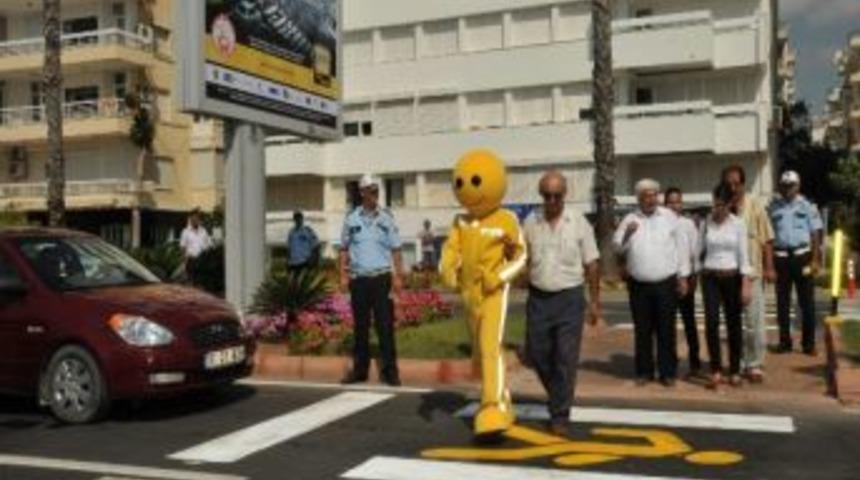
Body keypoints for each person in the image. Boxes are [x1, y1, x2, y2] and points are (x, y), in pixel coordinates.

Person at [439, 149, 527, 436]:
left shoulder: (506, 219)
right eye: (461, 182)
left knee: (490, 346)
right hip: (469, 297)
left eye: (475, 181)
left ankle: (491, 408)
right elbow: (450, 251)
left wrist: (498, 276)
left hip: (494, 294)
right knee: (481, 354)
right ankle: (504, 400)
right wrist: (448, 270)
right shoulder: (460, 222)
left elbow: (522, 256)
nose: (467, 189)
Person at [523, 171, 600, 435]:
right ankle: (558, 395)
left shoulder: (579, 223)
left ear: (564, 195)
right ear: (541, 195)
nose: (552, 200)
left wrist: (595, 301)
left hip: (569, 299)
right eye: (547, 195)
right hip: (538, 299)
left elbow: (592, 263)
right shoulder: (530, 222)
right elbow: (523, 259)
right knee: (538, 355)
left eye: (557, 195)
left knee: (565, 359)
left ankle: (560, 414)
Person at [613, 179, 691, 387]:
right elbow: (617, 248)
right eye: (645, 195)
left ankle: (667, 372)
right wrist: (627, 234)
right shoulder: (629, 219)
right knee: (642, 330)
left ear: (657, 196)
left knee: (666, 329)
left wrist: (683, 277)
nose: (650, 199)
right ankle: (644, 372)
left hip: (665, 283)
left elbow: (681, 248)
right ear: (638, 198)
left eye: (653, 195)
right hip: (638, 285)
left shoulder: (669, 217)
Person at [339, 174, 405, 386]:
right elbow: (344, 249)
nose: (375, 194)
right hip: (359, 281)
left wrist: (398, 276)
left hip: (381, 279)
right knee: (361, 327)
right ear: (362, 193)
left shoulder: (386, 217)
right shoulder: (351, 219)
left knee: (385, 327)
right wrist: (342, 274)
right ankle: (360, 371)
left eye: (376, 190)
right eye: (371, 190)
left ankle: (390, 371)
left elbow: (396, 249)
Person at [721, 165, 776, 383]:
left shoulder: (755, 206)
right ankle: (738, 363)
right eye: (729, 184)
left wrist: (770, 267)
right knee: (734, 323)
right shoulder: (722, 207)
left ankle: (754, 364)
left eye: (737, 183)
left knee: (754, 322)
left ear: (744, 184)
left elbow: (767, 239)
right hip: (728, 275)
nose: (733, 188)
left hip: (752, 274)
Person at [698, 183, 753, 389]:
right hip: (710, 278)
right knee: (711, 324)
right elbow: (698, 251)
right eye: (715, 205)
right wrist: (698, 270)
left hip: (732, 277)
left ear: (730, 204)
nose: (718, 209)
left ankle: (735, 369)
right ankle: (715, 369)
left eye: (722, 205)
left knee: (733, 324)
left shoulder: (738, 224)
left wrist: (745, 283)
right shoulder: (706, 223)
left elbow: (744, 256)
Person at [768, 170, 824, 355]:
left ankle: (809, 344)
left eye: (791, 185)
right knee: (782, 303)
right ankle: (785, 342)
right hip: (781, 258)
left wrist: (815, 259)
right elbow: (768, 235)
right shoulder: (773, 207)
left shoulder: (808, 206)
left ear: (798, 185)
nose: (787, 188)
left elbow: (815, 234)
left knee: (806, 302)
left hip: (803, 257)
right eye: (784, 185)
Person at [664, 187, 702, 378]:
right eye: (670, 202)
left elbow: (695, 253)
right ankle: (670, 359)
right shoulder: (660, 223)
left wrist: (693, 279)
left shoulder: (687, 224)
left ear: (681, 204)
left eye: (677, 202)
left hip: (686, 279)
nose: (674, 205)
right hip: (666, 280)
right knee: (667, 324)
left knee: (689, 323)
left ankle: (695, 361)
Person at [179, 208, 213, 284]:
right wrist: (183, 265)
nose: (195, 220)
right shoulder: (185, 232)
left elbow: (208, 245)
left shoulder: (204, 231)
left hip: (202, 261)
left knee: (202, 283)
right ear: (190, 219)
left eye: (197, 218)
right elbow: (182, 248)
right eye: (193, 218)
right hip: (191, 261)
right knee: (191, 283)